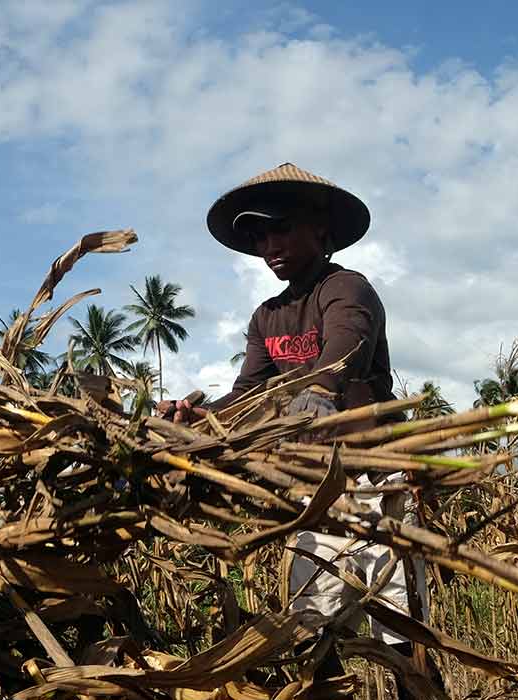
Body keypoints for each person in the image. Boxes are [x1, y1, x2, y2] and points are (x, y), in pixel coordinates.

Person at [157, 163, 441, 698]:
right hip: (314, 490)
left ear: (321, 230)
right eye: (260, 235)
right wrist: (199, 421)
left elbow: (347, 346)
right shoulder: (267, 316)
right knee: (315, 625)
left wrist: (324, 386)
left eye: (281, 228)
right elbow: (249, 394)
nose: (270, 245)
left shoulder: (346, 288)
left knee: (398, 621)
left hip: (374, 480)